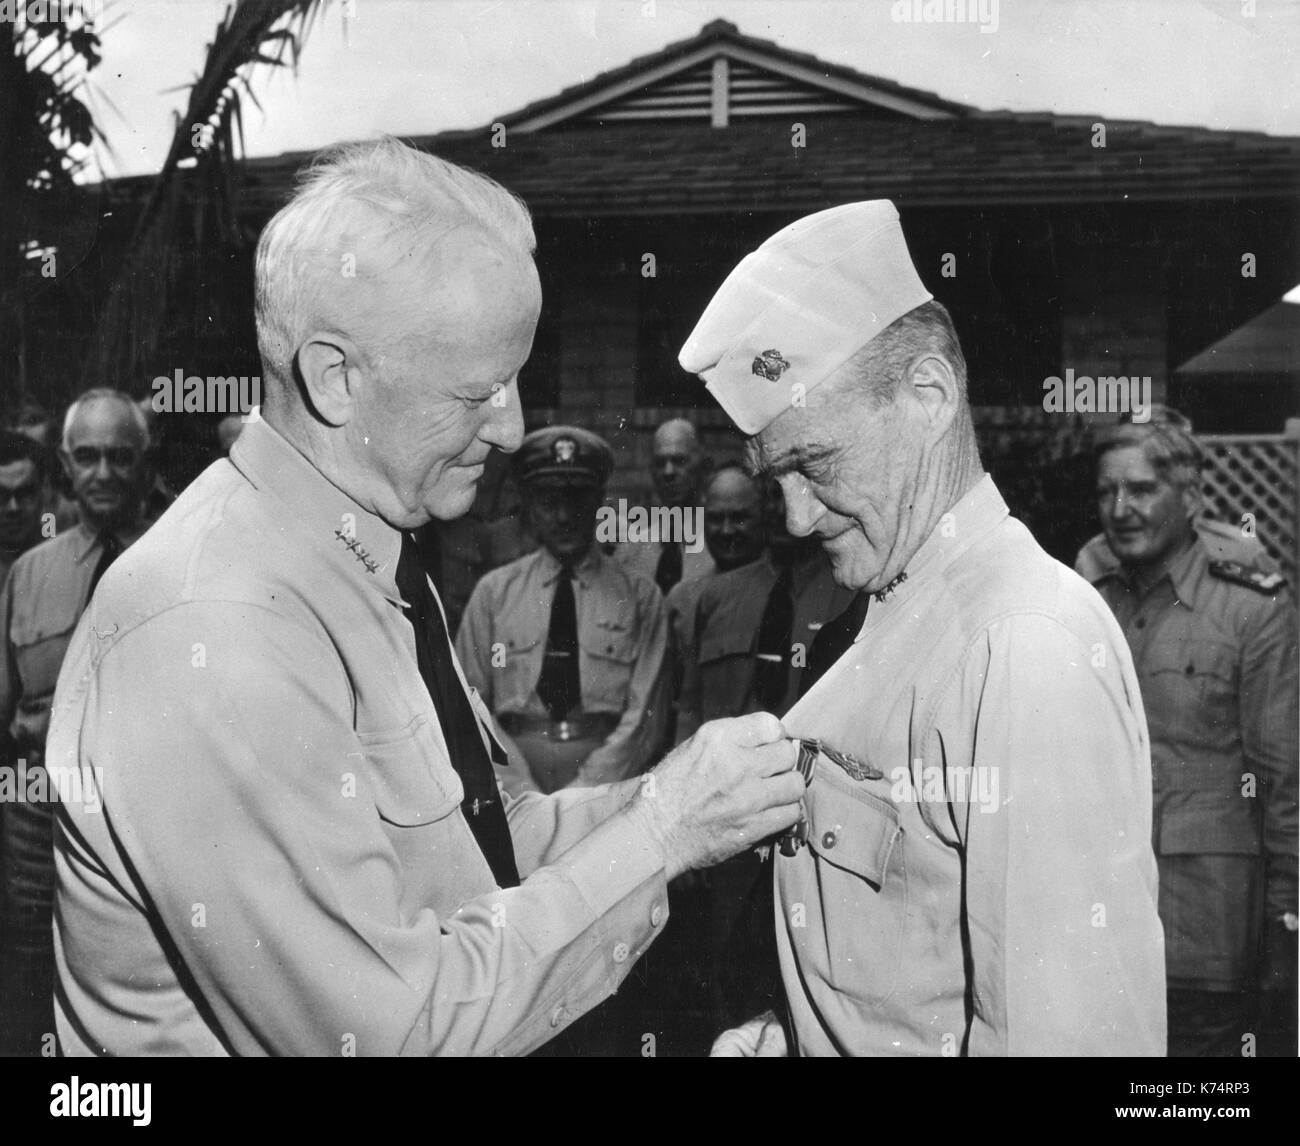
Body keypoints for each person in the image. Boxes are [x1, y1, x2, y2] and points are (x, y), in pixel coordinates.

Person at [47, 138, 804, 1057]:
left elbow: (483, 844)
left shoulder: (367, 559)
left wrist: (677, 800)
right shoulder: (220, 627)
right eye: (479, 389)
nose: (514, 426)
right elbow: (395, 1034)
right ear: (336, 380)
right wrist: (660, 836)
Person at [680, 200, 1166, 1057]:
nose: (792, 517)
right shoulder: (888, 607)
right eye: (773, 474)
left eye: (813, 463)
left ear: (930, 396)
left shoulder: (1023, 646)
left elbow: (1069, 1038)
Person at [1076, 407, 1297, 1057]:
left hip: (1206, 932)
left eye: (1142, 489)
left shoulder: (1250, 612)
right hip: (1100, 923)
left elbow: (1286, 785)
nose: (1120, 508)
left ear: (1192, 498)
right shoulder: (1087, 603)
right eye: (1107, 491)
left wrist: (1288, 924)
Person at [0, 388, 155, 1055]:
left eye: (121, 458)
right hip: (39, 821)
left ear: (146, 464)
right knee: (33, 976)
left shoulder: (182, 559)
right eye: (87, 457)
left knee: (142, 981)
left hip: (146, 814)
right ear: (65, 464)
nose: (103, 474)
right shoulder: (30, 573)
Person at [456, 425, 669, 794]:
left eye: (577, 500)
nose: (564, 516)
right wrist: (519, 790)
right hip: (513, 771)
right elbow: (468, 703)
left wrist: (584, 795)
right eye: (548, 501)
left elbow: (645, 717)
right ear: (528, 506)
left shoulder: (640, 598)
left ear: (599, 502)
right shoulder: (493, 594)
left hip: (606, 778)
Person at [614, 417, 713, 594]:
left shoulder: (719, 544)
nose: (668, 472)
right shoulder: (632, 550)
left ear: (704, 467)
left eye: (680, 461)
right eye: (660, 463)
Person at [0, 432, 50, 587]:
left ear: (44, 493)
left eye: (25, 494)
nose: (13, 508)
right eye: (1, 495)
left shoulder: (64, 564)